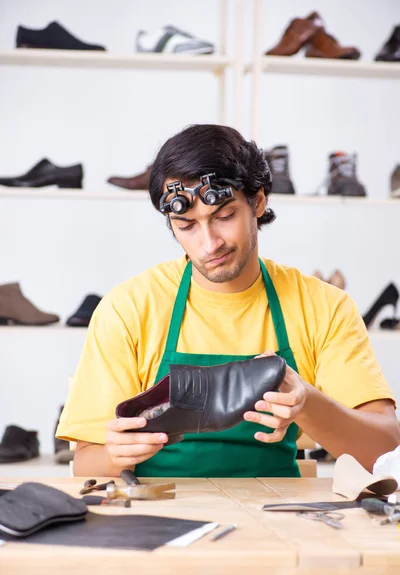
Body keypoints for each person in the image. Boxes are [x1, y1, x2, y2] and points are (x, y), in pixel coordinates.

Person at [56, 124, 400, 477]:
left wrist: (307, 403)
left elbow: (386, 451)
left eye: (223, 217)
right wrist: (118, 453)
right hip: (160, 516)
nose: (209, 244)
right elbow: (85, 465)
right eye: (186, 225)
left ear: (259, 201)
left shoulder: (324, 308)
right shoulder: (128, 308)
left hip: (276, 516)